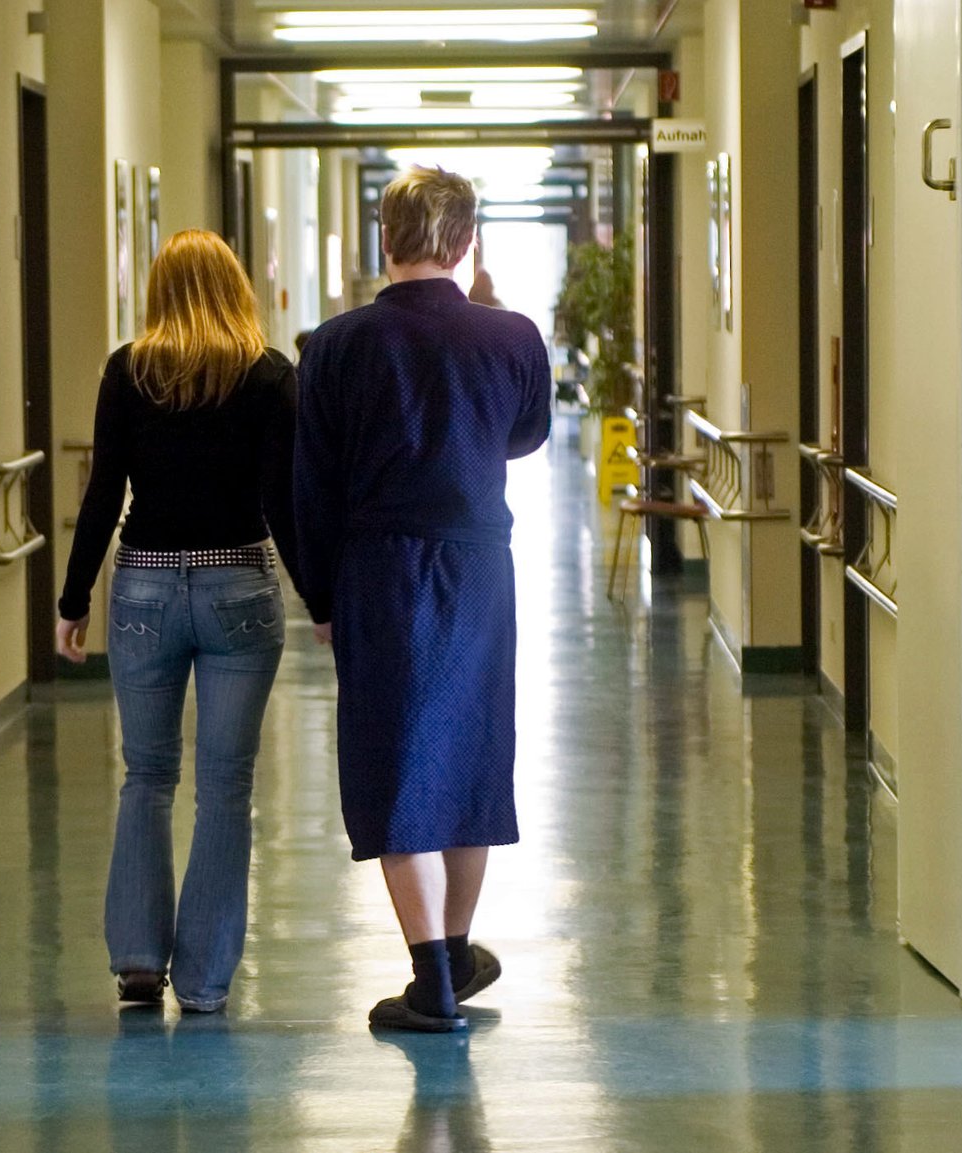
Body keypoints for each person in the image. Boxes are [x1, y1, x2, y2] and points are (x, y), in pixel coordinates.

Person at [294, 167, 552, 1032]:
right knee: (472, 756)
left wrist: (321, 596)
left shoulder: (333, 346)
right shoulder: (512, 337)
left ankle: (432, 976)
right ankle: (454, 949)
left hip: (379, 568)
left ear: (384, 236)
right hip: (479, 565)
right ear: (467, 242)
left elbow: (310, 486)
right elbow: (527, 433)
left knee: (393, 759)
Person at [55, 228, 328, 1014]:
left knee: (145, 776)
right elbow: (282, 501)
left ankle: (139, 960)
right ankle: (205, 979)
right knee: (225, 786)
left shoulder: (128, 370)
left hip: (141, 589)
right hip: (239, 583)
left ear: (159, 292)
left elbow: (104, 493)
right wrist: (320, 600)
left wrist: (74, 602)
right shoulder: (270, 375)